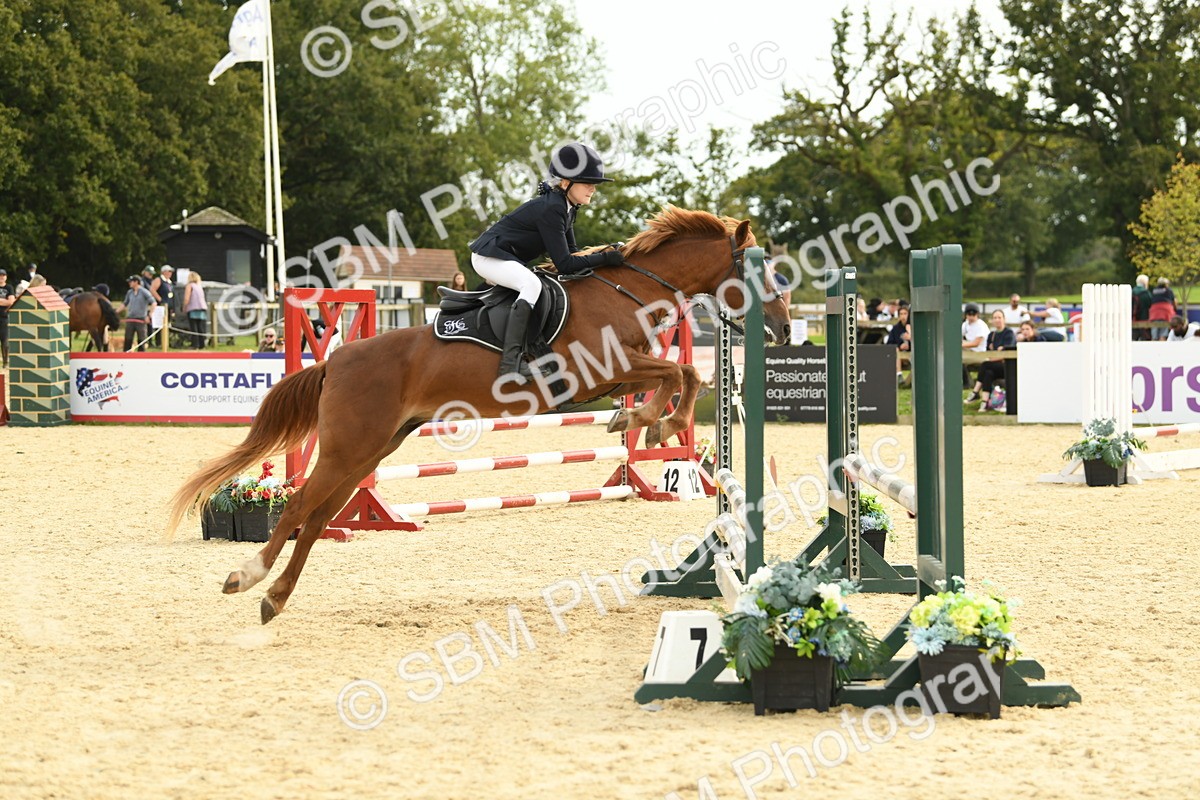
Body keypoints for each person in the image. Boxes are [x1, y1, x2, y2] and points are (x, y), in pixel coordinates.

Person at [469, 142, 623, 380]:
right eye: (587, 183)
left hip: (504, 258)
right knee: (532, 285)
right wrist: (605, 258)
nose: (593, 189)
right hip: (488, 257)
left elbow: (573, 253)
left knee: (536, 283)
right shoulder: (553, 208)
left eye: (594, 184)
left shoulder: (567, 207)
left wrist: (606, 252)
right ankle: (510, 363)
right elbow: (565, 264)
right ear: (565, 182)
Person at [965, 310, 1016, 410]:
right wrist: (997, 353)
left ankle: (975, 392)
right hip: (994, 365)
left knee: (985, 364)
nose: (997, 320)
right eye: (995, 318)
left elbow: (1006, 354)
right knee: (988, 373)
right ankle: (984, 403)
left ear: (1004, 319)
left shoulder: (1009, 333)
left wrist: (996, 355)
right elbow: (989, 353)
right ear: (992, 320)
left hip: (1006, 367)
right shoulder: (991, 335)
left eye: (999, 317)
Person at [120, 274, 157, 352]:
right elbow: (125, 303)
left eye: (131, 282)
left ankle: (141, 355)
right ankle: (126, 354)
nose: (129, 283)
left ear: (136, 282)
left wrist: (149, 315)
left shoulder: (144, 292)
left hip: (141, 319)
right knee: (128, 338)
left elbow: (153, 303)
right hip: (130, 319)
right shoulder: (129, 292)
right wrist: (116, 311)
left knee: (141, 339)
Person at [961, 303, 989, 389]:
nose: (971, 316)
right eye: (969, 314)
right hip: (969, 351)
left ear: (977, 314)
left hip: (979, 353)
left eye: (974, 314)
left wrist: (962, 344)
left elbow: (976, 343)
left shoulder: (981, 325)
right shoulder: (965, 324)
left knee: (958, 360)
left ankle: (967, 383)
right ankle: (969, 381)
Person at [885, 304, 912, 384]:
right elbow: (889, 344)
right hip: (899, 356)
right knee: (895, 350)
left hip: (912, 354)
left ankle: (908, 382)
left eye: (905, 314)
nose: (903, 316)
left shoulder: (913, 327)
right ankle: (899, 375)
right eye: (901, 314)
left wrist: (910, 339)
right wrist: (900, 347)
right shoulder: (895, 328)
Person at [181, 271, 208, 350]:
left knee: (194, 327)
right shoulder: (199, 286)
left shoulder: (189, 286)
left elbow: (187, 298)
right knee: (200, 327)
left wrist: (184, 307)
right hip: (202, 308)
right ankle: (202, 344)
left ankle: (195, 344)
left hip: (193, 308)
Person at [149, 265, 175, 344]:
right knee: (159, 323)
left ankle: (166, 341)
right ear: (164, 272)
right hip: (161, 305)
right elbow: (152, 290)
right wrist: (160, 299)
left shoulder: (169, 282)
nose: (170, 273)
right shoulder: (159, 279)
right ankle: (158, 341)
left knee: (167, 323)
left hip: (169, 305)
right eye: (169, 271)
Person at [0, 268, 15, 367]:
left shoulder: (9, 288)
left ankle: (5, 362)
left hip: (4, 317)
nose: (1, 277)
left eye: (3, 275)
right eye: (0, 276)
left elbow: (11, 301)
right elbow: (7, 301)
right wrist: (4, 301)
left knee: (5, 341)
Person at [1131, 274, 1152, 340]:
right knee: (1145, 339)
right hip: (1144, 319)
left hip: (1132, 320)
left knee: (1133, 339)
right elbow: (1150, 305)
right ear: (1145, 283)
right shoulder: (1146, 293)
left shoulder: (1131, 292)